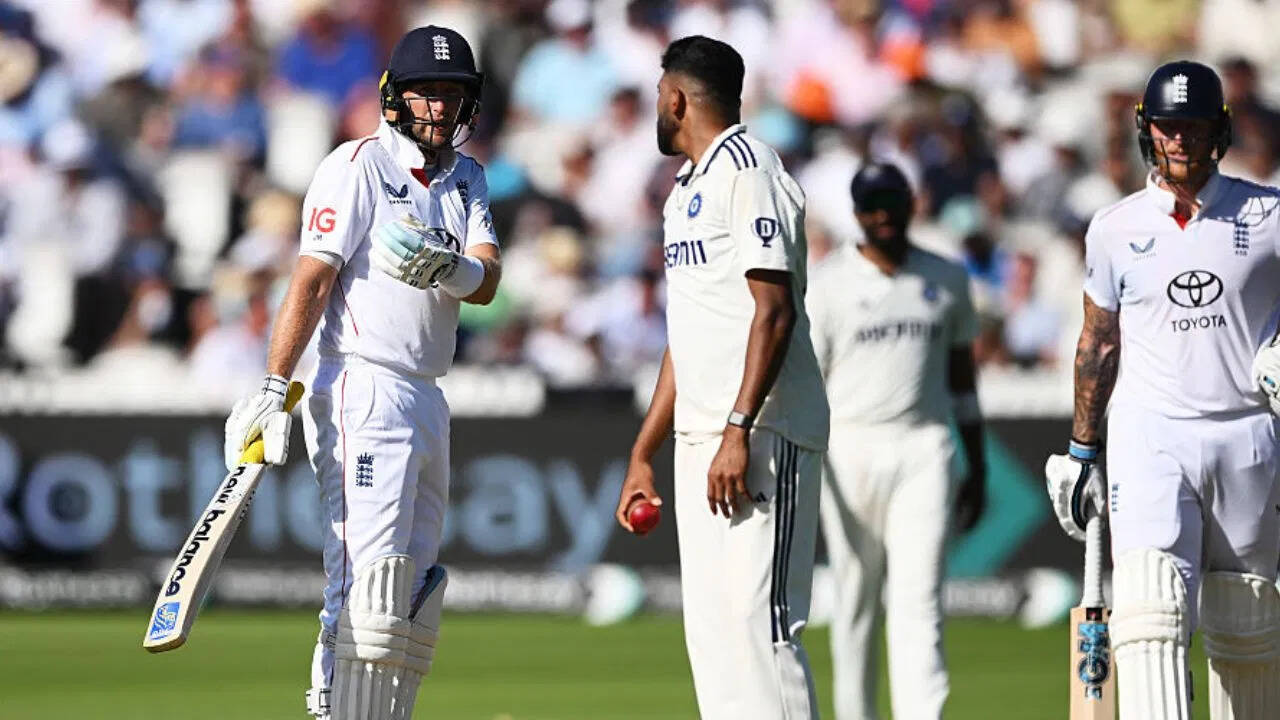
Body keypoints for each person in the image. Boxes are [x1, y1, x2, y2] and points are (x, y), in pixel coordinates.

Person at [221, 26, 501, 720]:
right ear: (394, 97)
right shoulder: (356, 166)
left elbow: (488, 280)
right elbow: (313, 278)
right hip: (363, 384)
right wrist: (274, 385)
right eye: (426, 93)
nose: (440, 107)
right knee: (362, 584)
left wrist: (452, 268)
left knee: (413, 591)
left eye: (452, 94)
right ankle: (331, 710)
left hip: (428, 392)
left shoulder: (467, 177)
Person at [1045, 60, 1280, 719]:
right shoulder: (1114, 227)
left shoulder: (1268, 214)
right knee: (1150, 613)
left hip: (1248, 432)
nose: (1179, 139)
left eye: (1193, 125)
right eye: (1167, 126)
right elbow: (1099, 342)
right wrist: (1082, 451)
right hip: (1150, 433)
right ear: (1147, 130)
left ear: (1219, 130)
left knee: (1247, 623)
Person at [614, 36, 830, 720]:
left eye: (660, 95)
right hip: (701, 438)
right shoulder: (685, 188)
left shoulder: (749, 169)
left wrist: (738, 429)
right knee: (713, 638)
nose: (657, 107)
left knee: (763, 630)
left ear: (677, 99)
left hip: (762, 430)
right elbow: (689, 336)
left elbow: (775, 310)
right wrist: (644, 451)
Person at [807, 162, 987, 720]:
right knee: (855, 600)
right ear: (856, 213)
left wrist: (978, 466)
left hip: (923, 447)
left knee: (919, 600)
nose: (882, 216)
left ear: (911, 204)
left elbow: (962, 381)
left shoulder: (947, 277)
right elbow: (809, 383)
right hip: (848, 449)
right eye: (871, 206)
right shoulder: (827, 283)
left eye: (891, 203)